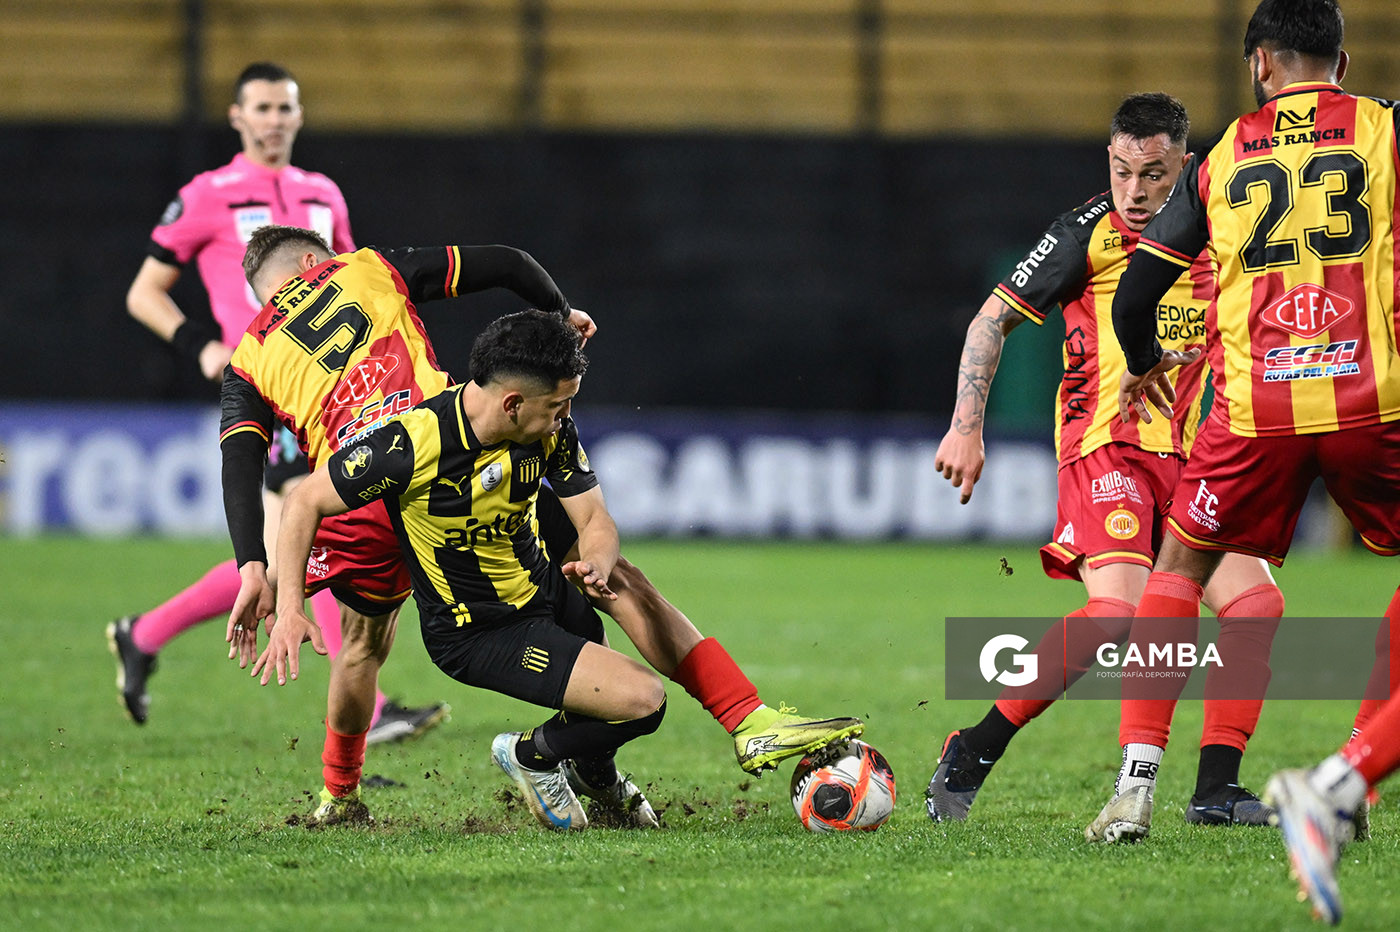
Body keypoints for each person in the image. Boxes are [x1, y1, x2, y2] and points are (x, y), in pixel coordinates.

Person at [222, 226, 862, 825]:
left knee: (365, 647)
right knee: (619, 590)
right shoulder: (365, 267)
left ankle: (341, 794)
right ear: (313, 260)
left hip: (380, 484)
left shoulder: (248, 358)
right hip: (442, 446)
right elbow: (507, 264)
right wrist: (560, 313)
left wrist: (262, 575)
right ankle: (720, 722)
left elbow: (242, 461)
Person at [927, 93, 1284, 832]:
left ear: (1184, 165)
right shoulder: (1085, 234)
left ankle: (1215, 789)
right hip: (1104, 448)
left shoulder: (1225, 234)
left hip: (1192, 461)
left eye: (1154, 174)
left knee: (1257, 605)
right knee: (1117, 615)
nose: (1135, 191)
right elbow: (992, 319)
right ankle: (974, 749)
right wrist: (967, 427)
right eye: (1122, 171)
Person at [1105, 0, 1400, 857]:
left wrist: (1146, 358)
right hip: (1371, 397)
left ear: (1259, 66)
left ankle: (1133, 790)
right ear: (1339, 64)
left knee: (1181, 568)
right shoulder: (1384, 129)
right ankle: (1353, 769)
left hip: (1254, 410)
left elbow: (1133, 297)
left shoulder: (1222, 156)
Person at [107, 61, 445, 743]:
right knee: (311, 524)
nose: (274, 120)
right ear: (237, 117)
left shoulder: (323, 193)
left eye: (285, 108)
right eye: (260, 107)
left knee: (284, 542)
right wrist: (202, 346)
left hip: (325, 396)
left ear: (298, 117)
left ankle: (143, 635)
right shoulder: (208, 194)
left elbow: (356, 279)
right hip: (265, 391)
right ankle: (368, 712)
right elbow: (144, 291)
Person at [260, 309, 678, 830]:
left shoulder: (546, 426)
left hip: (543, 587)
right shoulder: (409, 440)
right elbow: (303, 501)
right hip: (470, 621)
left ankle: (599, 781)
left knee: (609, 698)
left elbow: (595, 516)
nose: (566, 414)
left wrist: (594, 558)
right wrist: (287, 604)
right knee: (644, 701)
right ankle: (525, 757)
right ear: (513, 402)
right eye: (558, 404)